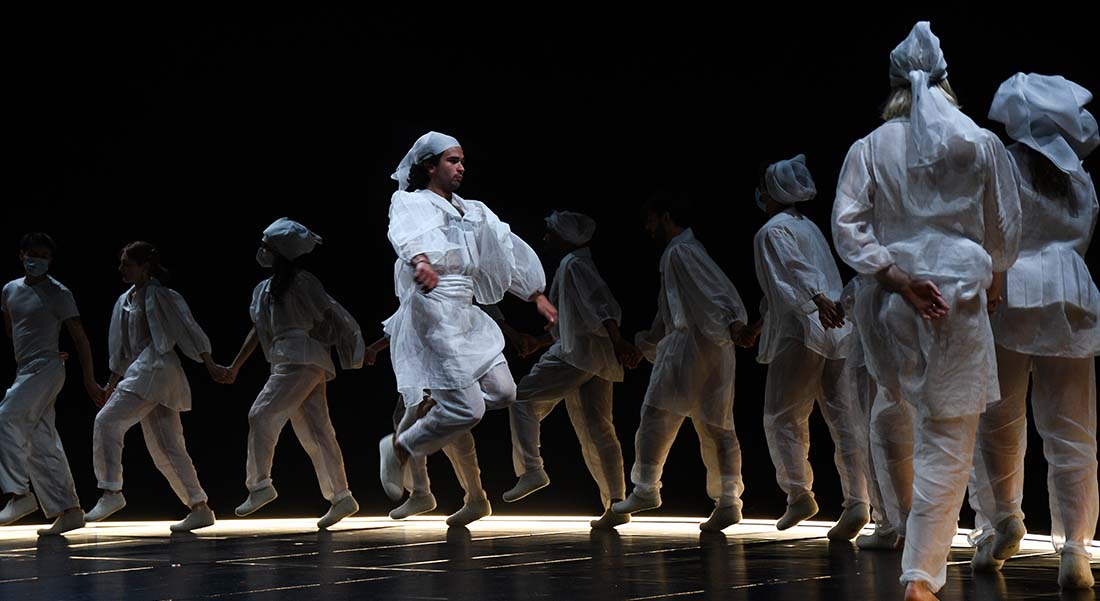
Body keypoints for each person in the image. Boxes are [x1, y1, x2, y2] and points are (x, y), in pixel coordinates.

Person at [831, 22, 1020, 600]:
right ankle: (921, 574)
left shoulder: (871, 145)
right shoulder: (979, 141)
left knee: (894, 409)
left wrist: (895, 274)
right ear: (945, 81)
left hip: (891, 299)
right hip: (956, 295)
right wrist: (995, 275)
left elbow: (847, 224)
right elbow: (1005, 228)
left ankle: (896, 522)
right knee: (947, 434)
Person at [379, 132, 556, 527]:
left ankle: (433, 414)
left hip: (466, 310)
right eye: (453, 161)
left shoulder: (472, 210)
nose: (461, 168)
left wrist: (535, 294)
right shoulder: (410, 201)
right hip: (434, 308)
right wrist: (420, 260)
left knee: (505, 392)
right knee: (470, 408)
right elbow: (404, 232)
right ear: (430, 165)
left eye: (461, 161)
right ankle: (401, 449)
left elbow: (506, 247)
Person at [967, 72, 1099, 590]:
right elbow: (1084, 233)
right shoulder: (1078, 175)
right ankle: (1075, 549)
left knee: (998, 420)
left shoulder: (1003, 162)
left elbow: (987, 226)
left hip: (1011, 293)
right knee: (1072, 430)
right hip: (1070, 295)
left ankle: (1002, 519)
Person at [611, 190, 749, 532]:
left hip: (692, 345)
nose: (647, 228)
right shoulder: (683, 251)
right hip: (712, 346)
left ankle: (645, 487)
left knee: (657, 414)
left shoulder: (681, 251)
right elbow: (666, 309)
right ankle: (729, 499)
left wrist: (733, 322)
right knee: (717, 426)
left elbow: (715, 291)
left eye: (650, 220)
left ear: (666, 216)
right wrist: (644, 346)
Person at [749, 155, 870, 538]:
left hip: (802, 330)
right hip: (836, 329)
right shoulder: (809, 227)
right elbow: (781, 286)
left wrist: (816, 300)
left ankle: (799, 493)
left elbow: (791, 273)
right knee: (843, 420)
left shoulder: (771, 231)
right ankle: (858, 502)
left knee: (781, 415)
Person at [501, 210, 641, 530]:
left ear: (565, 236)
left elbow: (602, 305)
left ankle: (531, 469)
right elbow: (570, 319)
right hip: (591, 355)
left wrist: (619, 342)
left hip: (577, 354)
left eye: (551, 232)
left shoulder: (574, 265)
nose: (546, 238)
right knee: (597, 429)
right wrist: (539, 342)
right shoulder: (574, 265)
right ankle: (616, 503)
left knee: (521, 399)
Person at [226, 218, 365, 530]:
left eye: (266, 246)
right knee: (316, 431)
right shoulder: (263, 289)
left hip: (300, 359)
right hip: (290, 360)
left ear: (276, 251)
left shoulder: (302, 281)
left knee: (261, 414)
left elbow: (331, 313)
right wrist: (236, 365)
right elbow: (257, 329)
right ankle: (341, 496)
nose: (261, 251)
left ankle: (260, 485)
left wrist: (351, 346)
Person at [88, 241, 228, 533]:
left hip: (156, 369)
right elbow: (120, 350)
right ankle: (200, 507)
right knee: (167, 447)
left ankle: (111, 491)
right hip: (143, 371)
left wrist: (210, 363)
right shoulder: (125, 300)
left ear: (145, 265)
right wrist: (110, 385)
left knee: (107, 422)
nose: (121, 268)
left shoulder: (162, 295)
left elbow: (189, 326)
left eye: (127, 263)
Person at [0, 233, 105, 536]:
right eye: (33, 253)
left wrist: (87, 378)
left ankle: (19, 494)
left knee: (7, 416)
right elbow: (15, 329)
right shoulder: (9, 290)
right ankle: (69, 510)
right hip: (27, 368)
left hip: (47, 368)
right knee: (40, 440)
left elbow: (81, 339)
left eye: (44, 255)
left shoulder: (59, 293)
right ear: (22, 255)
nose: (38, 260)